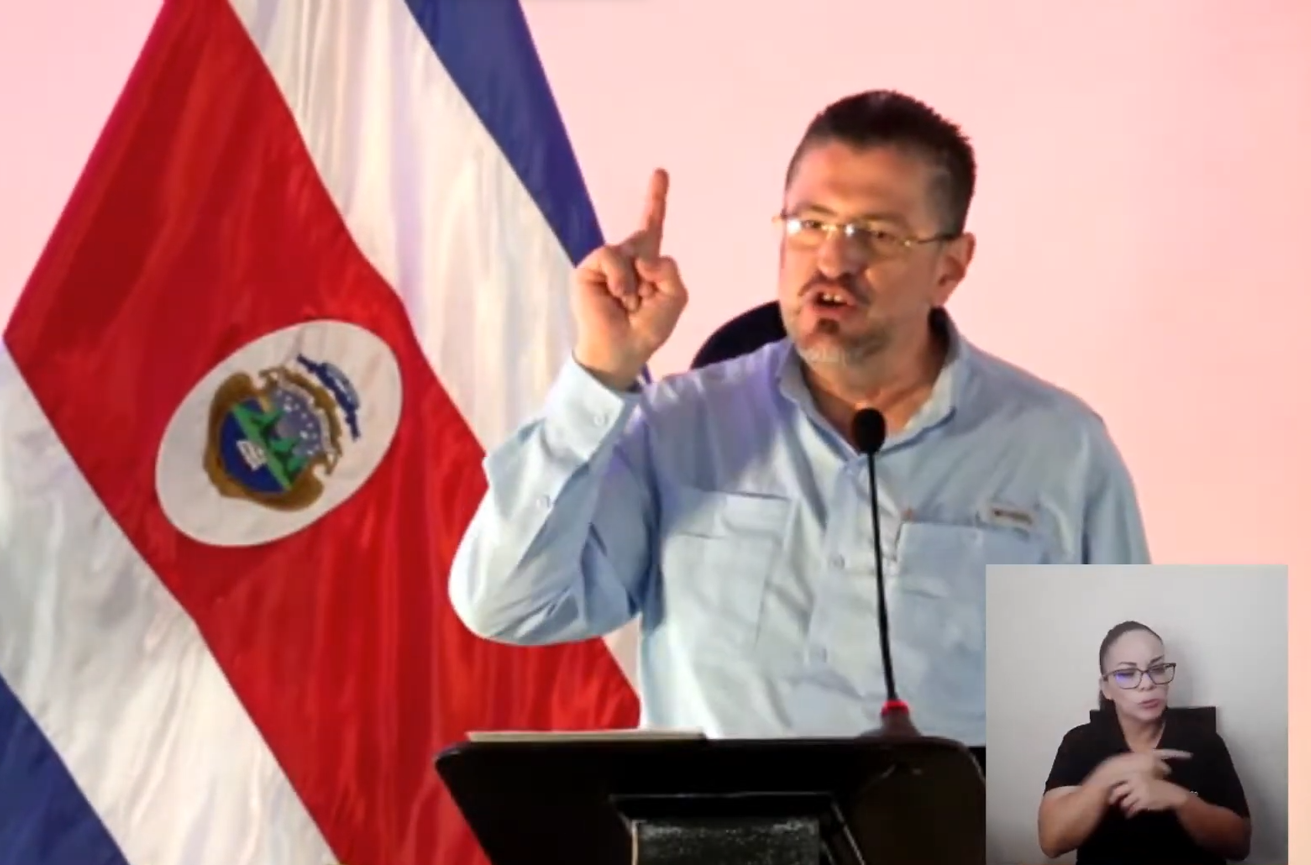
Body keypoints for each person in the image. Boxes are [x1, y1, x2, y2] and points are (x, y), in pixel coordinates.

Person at [447, 90, 1151, 744]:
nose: (833, 259)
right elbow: (505, 604)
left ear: (950, 267)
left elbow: (1139, 725)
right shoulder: (682, 426)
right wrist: (600, 374)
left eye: (878, 234)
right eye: (810, 224)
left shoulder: (1060, 450)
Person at [1036, 622, 1251, 863]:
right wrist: (1109, 774)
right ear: (1106, 688)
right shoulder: (1080, 743)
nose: (1148, 683)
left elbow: (1239, 845)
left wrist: (1181, 800)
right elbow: (1051, 842)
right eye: (1127, 673)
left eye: (1157, 669)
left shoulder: (1203, 742)